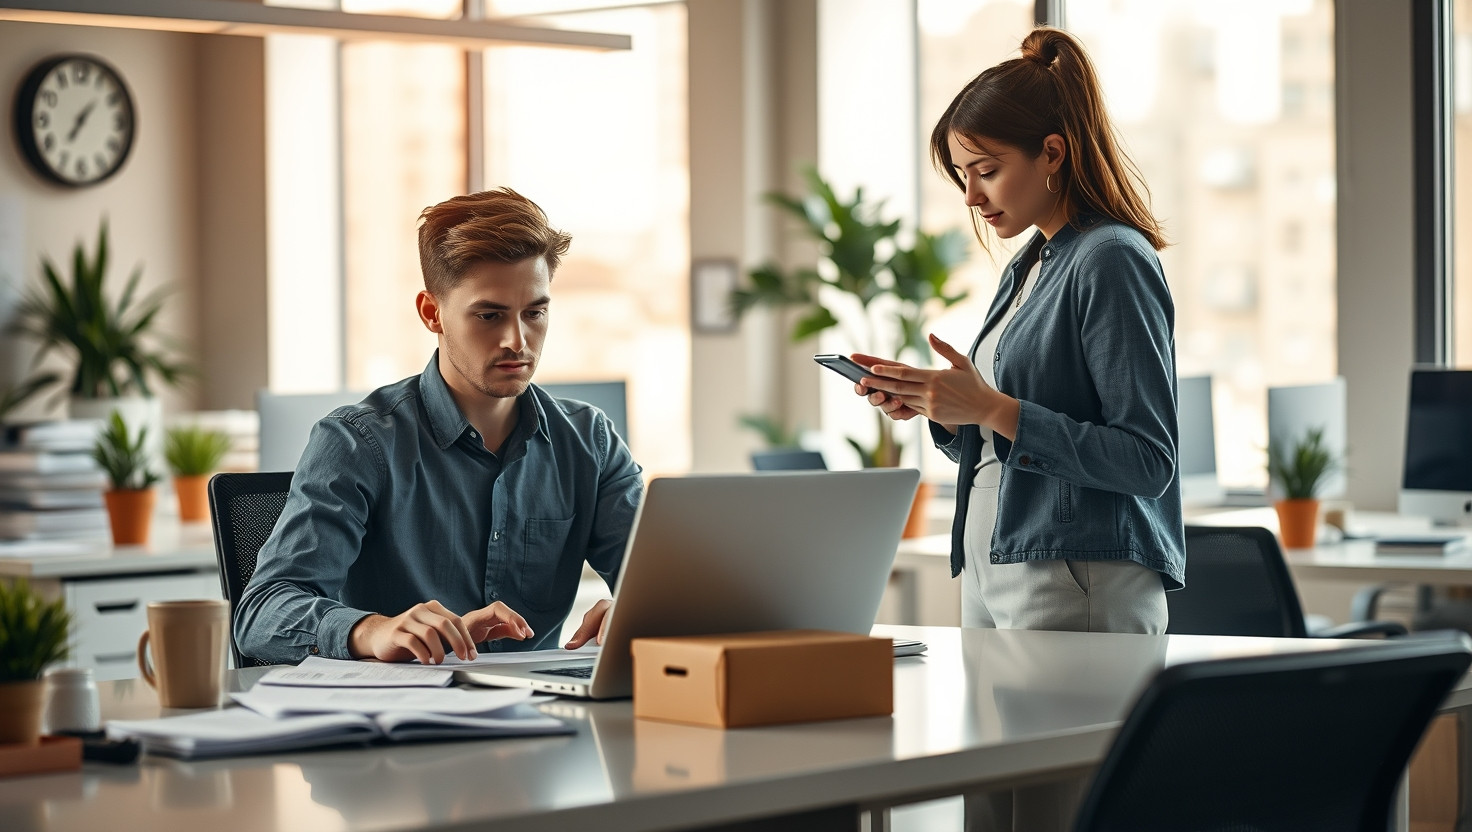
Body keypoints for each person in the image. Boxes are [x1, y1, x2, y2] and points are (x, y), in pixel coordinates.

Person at [855, 26, 1184, 636]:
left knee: (1066, 735)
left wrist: (995, 408)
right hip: (993, 563)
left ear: (1053, 153)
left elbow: (1147, 459)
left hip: (1071, 571)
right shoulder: (1030, 262)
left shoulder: (1111, 258)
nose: (972, 195)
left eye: (986, 170)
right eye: (962, 174)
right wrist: (951, 411)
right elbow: (1004, 431)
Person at [235, 188, 643, 665]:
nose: (518, 340)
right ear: (433, 313)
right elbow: (261, 613)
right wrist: (372, 631)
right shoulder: (357, 442)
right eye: (489, 315)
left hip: (539, 718)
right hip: (396, 721)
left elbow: (669, 584)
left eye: (535, 313)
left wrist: (642, 613)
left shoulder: (589, 441)